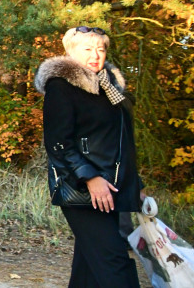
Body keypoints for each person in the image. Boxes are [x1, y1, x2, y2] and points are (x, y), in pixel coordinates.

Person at [35, 26, 142, 287]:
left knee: (89, 266)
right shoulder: (62, 86)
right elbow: (58, 143)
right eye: (87, 49)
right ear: (70, 52)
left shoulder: (110, 88)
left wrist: (137, 185)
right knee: (114, 261)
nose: (96, 55)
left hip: (112, 187)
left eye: (101, 49)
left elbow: (122, 142)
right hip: (82, 190)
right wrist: (90, 178)